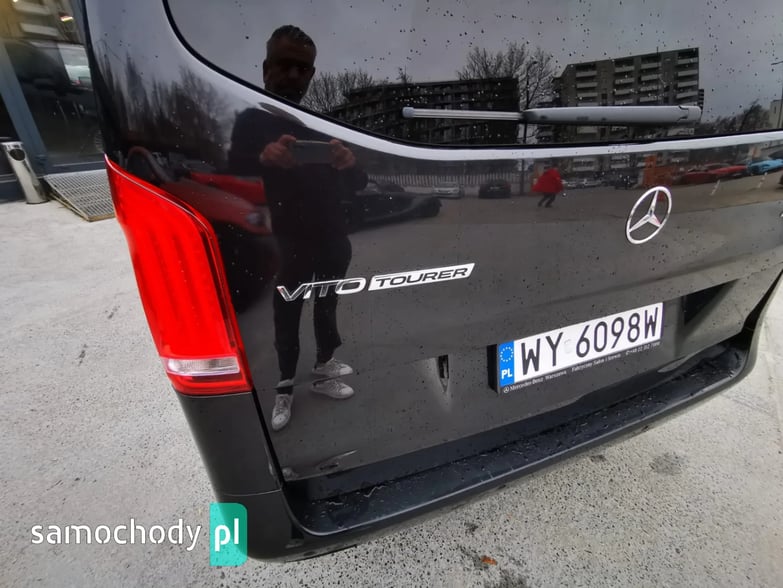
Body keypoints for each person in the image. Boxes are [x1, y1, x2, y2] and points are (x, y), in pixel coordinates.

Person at [227, 25, 367, 431]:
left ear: (312, 74)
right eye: (284, 65)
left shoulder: (321, 123)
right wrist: (263, 158)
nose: (293, 75)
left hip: (333, 236)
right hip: (287, 239)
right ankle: (284, 388)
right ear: (266, 68)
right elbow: (229, 171)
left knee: (327, 304)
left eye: (302, 68)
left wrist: (349, 163)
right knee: (286, 312)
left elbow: (358, 183)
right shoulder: (251, 120)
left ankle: (324, 370)